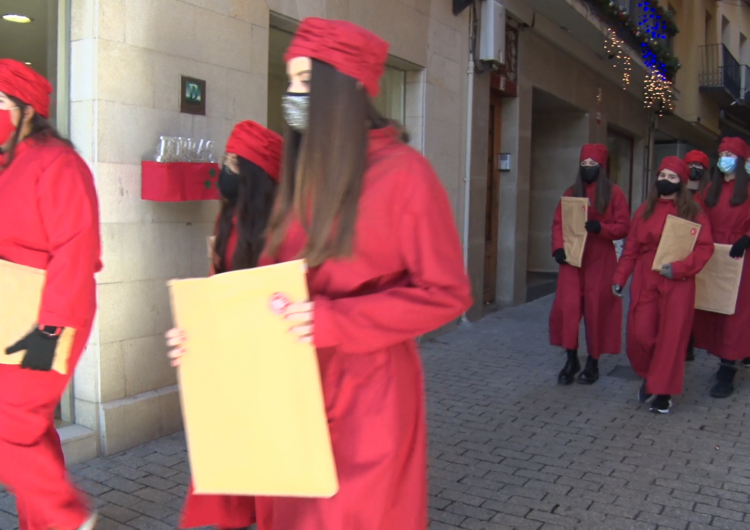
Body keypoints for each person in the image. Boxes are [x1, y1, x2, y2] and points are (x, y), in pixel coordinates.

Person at [168, 17, 472, 530]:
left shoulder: (406, 175)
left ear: (350, 85)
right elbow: (266, 287)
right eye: (290, 81)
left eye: (306, 81)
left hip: (369, 400)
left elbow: (447, 292)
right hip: (289, 388)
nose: (292, 94)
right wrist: (209, 340)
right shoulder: (300, 175)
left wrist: (336, 321)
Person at [0, 60, 101, 530]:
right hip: (12, 308)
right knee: (28, 425)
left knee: (12, 423)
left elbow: (77, 251)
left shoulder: (59, 162)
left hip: (51, 311)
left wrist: (50, 328)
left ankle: (66, 517)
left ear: (26, 111)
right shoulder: (8, 162)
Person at [177, 120, 282, 530]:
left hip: (264, 363)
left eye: (233, 162)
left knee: (267, 469)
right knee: (234, 468)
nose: (224, 170)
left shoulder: (279, 229)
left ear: (254, 173)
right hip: (231, 359)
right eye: (225, 160)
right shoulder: (228, 220)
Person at [613, 156, 713, 414]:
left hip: (677, 281)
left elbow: (705, 248)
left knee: (671, 337)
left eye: (672, 177)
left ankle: (663, 392)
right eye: (662, 175)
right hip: (647, 276)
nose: (665, 181)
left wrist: (680, 269)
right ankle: (650, 375)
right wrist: (619, 278)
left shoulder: (694, 212)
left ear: (680, 182)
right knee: (640, 332)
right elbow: (631, 250)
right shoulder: (644, 209)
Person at [550, 144, 630, 385]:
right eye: (584, 165)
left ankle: (593, 360)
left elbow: (624, 226)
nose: (587, 169)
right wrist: (558, 248)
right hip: (573, 259)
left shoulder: (614, 193)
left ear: (601, 167)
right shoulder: (570, 191)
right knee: (568, 308)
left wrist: (602, 229)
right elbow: (557, 223)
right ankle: (571, 357)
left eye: (592, 165)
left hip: (600, 258)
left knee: (597, 310)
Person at [693, 137, 750, 397]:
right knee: (713, 309)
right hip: (713, 254)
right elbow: (697, 215)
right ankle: (723, 356)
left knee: (735, 315)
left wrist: (747, 237)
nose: (724, 158)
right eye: (722, 153)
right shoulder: (709, 191)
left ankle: (728, 369)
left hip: (740, 257)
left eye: (730, 154)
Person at [682, 151, 711, 362]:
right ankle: (685, 343)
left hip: (700, 251)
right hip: (679, 248)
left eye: (699, 165)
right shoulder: (677, 191)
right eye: (691, 164)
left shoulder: (708, 194)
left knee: (697, 301)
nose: (694, 168)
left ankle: (692, 340)